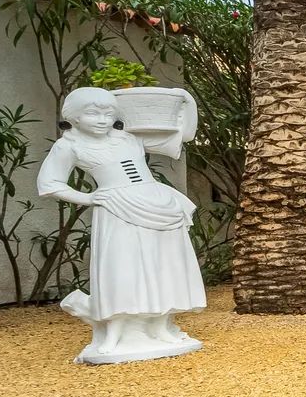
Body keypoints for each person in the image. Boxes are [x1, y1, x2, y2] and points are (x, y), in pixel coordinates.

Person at [36, 87, 206, 362]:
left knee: (164, 266)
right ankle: (115, 331)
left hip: (158, 202)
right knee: (122, 270)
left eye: (108, 113)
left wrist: (186, 99)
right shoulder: (68, 145)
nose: (102, 120)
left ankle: (163, 326)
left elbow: (183, 134)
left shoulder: (129, 137)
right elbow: (49, 184)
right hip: (116, 207)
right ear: (74, 116)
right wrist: (88, 197)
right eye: (92, 113)